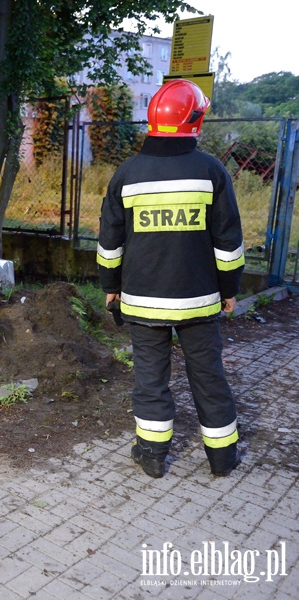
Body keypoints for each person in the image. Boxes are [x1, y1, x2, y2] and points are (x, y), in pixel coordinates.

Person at [97, 79, 245, 479]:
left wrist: (110, 286)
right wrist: (230, 290)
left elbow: (110, 242)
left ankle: (152, 455)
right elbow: (228, 242)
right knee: (208, 375)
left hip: (142, 301)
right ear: (194, 121)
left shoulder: (126, 175)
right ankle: (222, 456)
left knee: (150, 378)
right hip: (199, 301)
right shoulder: (212, 171)